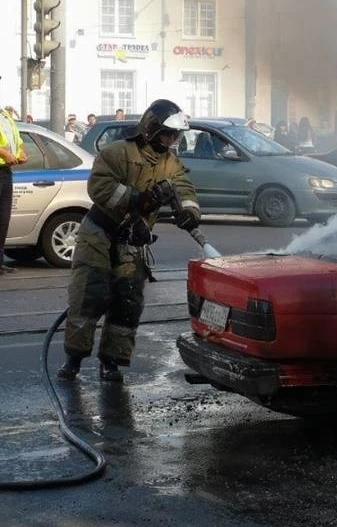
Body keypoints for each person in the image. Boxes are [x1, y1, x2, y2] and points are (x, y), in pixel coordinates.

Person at [57, 99, 201, 383]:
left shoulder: (171, 162)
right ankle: (73, 360)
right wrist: (137, 199)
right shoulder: (117, 153)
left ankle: (110, 362)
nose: (173, 140)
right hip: (99, 235)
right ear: (151, 128)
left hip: (132, 241)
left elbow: (185, 188)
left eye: (176, 135)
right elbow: (100, 187)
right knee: (89, 296)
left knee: (127, 301)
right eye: (168, 133)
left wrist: (189, 212)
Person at [0, 102, 28, 275]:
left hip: (5, 172)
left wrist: (21, 152)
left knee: (3, 220)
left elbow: (17, 139)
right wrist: (4, 153)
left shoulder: (5, 115)